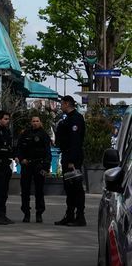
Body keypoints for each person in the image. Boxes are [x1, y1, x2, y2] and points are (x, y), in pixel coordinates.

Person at [54, 95, 86, 227]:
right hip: (67, 155)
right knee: (69, 188)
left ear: (67, 104)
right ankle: (70, 214)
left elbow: (75, 141)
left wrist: (72, 160)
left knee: (76, 187)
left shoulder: (76, 119)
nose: (61, 106)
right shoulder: (69, 118)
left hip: (73, 157)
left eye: (62, 104)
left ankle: (79, 217)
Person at [17, 115, 52, 223]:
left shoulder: (44, 135)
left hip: (39, 165)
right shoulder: (25, 134)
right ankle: (26, 213)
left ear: (40, 122)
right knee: (25, 190)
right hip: (27, 165)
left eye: (37, 121)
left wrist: (46, 166)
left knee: (39, 190)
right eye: (33, 121)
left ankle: (39, 213)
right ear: (30, 122)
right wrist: (21, 159)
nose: (35, 123)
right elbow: (19, 148)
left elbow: (47, 152)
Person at [0, 110, 15, 225]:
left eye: (8, 119)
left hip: (5, 165)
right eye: (5, 119)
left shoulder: (6, 132)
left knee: (4, 193)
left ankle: (2, 214)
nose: (7, 121)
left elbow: (9, 148)